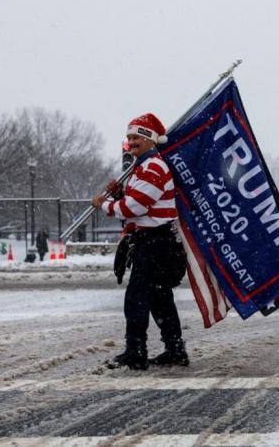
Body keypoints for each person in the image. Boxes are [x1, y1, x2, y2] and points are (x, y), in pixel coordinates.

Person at [92, 113, 188, 370]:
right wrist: (119, 193)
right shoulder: (143, 168)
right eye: (129, 137)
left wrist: (107, 205)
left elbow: (136, 207)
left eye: (137, 137)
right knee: (159, 298)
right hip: (157, 242)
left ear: (150, 140)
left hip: (156, 243)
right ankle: (175, 349)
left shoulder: (153, 167)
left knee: (137, 298)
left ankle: (136, 351)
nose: (131, 141)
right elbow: (137, 199)